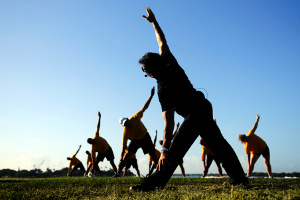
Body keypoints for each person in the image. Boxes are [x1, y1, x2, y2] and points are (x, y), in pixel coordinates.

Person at [131, 7, 248, 191]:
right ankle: (240, 180)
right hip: (203, 106)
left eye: (145, 72)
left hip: (194, 113)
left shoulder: (163, 88)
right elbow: (162, 41)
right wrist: (154, 22)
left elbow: (168, 124)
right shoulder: (169, 61)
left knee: (175, 150)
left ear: (152, 73)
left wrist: (164, 150)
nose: (146, 74)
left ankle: (154, 184)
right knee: (219, 145)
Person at [115, 87, 159, 177]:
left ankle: (161, 171)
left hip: (145, 136)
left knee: (153, 155)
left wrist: (151, 96)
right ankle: (118, 172)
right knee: (127, 156)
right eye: (125, 124)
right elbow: (124, 147)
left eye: (126, 122)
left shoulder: (135, 117)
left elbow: (144, 108)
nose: (127, 124)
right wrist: (121, 157)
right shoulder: (125, 132)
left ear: (127, 118)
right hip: (135, 140)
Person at [87, 111, 118, 176]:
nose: (92, 141)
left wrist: (99, 118)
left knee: (112, 162)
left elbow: (98, 127)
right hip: (101, 153)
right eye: (90, 142)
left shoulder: (96, 136)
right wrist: (92, 167)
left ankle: (116, 173)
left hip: (108, 149)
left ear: (92, 138)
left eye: (91, 140)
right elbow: (93, 159)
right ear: (91, 144)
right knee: (95, 162)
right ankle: (91, 173)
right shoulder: (93, 148)